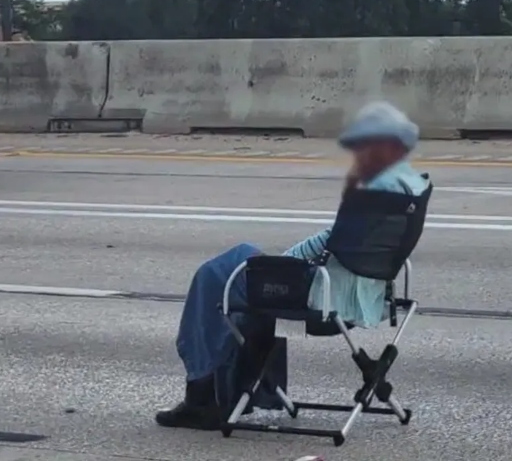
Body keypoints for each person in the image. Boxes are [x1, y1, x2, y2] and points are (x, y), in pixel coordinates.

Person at [155, 101, 430, 430]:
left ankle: (202, 396)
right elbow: (352, 245)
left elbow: (333, 241)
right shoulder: (411, 186)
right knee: (240, 266)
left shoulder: (373, 189)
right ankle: (245, 391)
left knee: (217, 275)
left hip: (327, 293)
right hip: (372, 292)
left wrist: (285, 261)